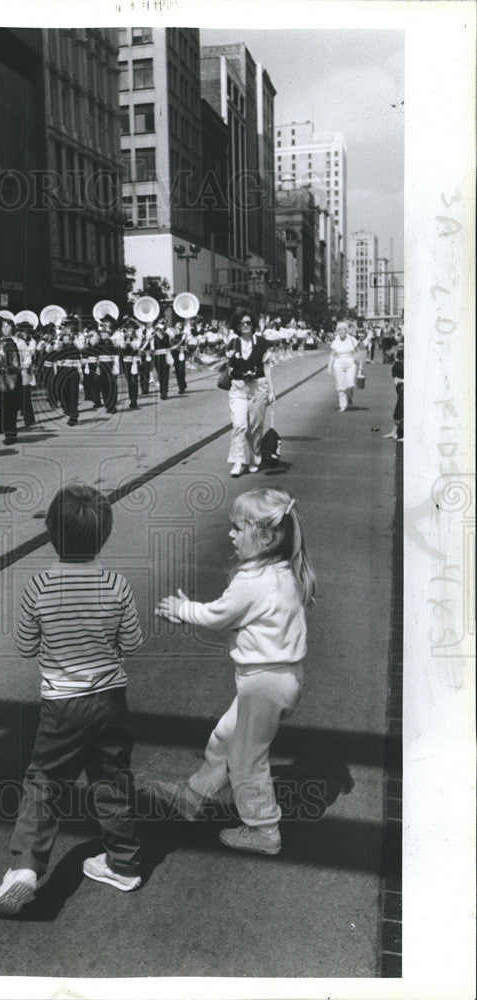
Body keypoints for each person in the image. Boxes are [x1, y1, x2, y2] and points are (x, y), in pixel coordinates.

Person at [0, 484, 143, 914]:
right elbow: (131, 641)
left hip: (62, 703)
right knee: (112, 778)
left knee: (45, 782)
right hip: (110, 698)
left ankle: (25, 868)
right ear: (105, 536)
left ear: (50, 535)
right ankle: (125, 863)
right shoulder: (116, 583)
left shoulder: (39, 586)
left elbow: (24, 644)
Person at [155, 488, 316, 855]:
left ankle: (263, 830)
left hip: (264, 684)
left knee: (247, 759)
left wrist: (183, 609)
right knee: (225, 737)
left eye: (237, 527)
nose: (230, 534)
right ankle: (196, 793)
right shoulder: (280, 571)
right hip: (277, 679)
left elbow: (217, 615)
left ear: (266, 536)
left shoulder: (253, 581)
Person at [224, 307, 276, 478]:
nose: (245, 325)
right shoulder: (233, 342)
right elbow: (227, 366)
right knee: (239, 425)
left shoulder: (261, 342)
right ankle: (238, 462)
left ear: (253, 324)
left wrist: (271, 390)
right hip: (238, 387)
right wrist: (229, 359)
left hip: (258, 387)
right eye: (241, 323)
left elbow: (267, 366)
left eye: (248, 322)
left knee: (255, 426)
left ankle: (254, 457)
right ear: (237, 326)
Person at [0, 317, 22, 445]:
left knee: (10, 406)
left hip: (11, 376)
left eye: (7, 326)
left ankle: (11, 434)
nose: (5, 329)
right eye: (3, 327)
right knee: (4, 405)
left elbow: (15, 361)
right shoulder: (1, 342)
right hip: (3, 376)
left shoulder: (12, 342)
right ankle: (7, 431)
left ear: (13, 328)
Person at [327, 320, 359, 413]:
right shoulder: (336, 340)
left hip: (350, 363)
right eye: (339, 330)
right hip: (338, 363)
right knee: (340, 385)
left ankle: (349, 397)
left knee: (350, 384)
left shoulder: (352, 339)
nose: (341, 332)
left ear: (346, 331)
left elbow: (357, 352)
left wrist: (360, 365)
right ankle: (343, 405)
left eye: (343, 330)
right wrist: (329, 367)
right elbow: (332, 355)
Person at [384, 346, 404, 441]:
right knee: (399, 410)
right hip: (401, 389)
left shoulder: (400, 365)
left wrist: (401, 380)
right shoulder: (397, 365)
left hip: (404, 389)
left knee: (401, 410)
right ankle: (395, 432)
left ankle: (402, 433)